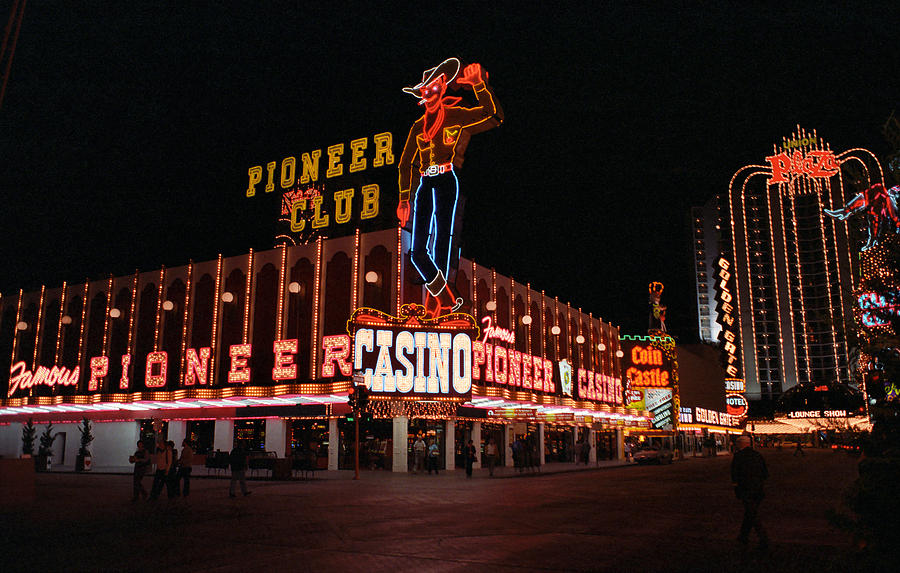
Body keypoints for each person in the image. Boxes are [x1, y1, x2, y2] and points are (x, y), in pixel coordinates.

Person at [397, 57, 503, 318]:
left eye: (432, 87)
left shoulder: (455, 115)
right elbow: (405, 164)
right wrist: (403, 199)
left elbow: (493, 116)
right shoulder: (416, 127)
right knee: (417, 252)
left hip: (446, 179)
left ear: (442, 87)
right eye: (424, 89)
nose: (428, 93)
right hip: (424, 183)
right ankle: (447, 298)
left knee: (443, 244)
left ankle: (437, 308)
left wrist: (479, 86)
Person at [731, 435, 769, 550]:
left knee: (752, 513)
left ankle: (763, 537)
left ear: (741, 444)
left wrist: (736, 487)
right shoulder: (758, 455)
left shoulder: (738, 457)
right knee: (750, 513)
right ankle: (743, 535)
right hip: (758, 489)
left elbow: (734, 474)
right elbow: (765, 473)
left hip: (745, 489)